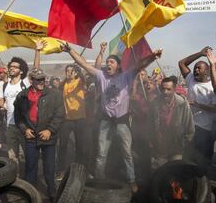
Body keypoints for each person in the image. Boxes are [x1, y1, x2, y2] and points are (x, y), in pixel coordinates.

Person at [59, 41, 162, 192]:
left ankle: (131, 180)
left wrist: (152, 57)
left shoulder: (126, 76)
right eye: (107, 61)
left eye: (112, 61)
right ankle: (100, 181)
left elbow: (140, 65)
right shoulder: (101, 76)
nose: (108, 63)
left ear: (118, 66)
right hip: (106, 121)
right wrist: (70, 50)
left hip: (122, 121)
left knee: (127, 153)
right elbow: (84, 64)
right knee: (101, 154)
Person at [14, 68, 64, 199]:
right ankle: (31, 193)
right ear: (31, 80)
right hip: (31, 135)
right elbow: (18, 117)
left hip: (48, 135)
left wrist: (50, 130)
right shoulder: (22, 96)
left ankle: (51, 190)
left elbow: (60, 115)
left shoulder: (55, 94)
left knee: (49, 166)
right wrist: (24, 129)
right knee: (30, 166)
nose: (42, 81)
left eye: (43, 78)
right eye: (38, 79)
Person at [179, 46, 216, 161]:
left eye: (199, 68)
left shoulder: (212, 87)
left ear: (207, 71)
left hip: (205, 129)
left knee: (202, 160)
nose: (196, 70)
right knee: (187, 157)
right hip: (189, 126)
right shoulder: (190, 79)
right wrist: (200, 53)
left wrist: (197, 104)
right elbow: (181, 63)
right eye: (194, 68)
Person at [151, 76, 194, 164]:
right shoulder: (155, 103)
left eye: (168, 89)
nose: (165, 92)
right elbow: (150, 124)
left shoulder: (182, 103)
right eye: (163, 89)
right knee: (160, 173)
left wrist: (184, 144)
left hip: (176, 147)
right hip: (160, 147)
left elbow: (190, 127)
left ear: (174, 89)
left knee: (174, 172)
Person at [0, 56, 30, 164]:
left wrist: (37, 51)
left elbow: (35, 67)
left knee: (27, 155)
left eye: (15, 67)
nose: (11, 68)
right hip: (10, 125)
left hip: (25, 125)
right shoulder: (5, 86)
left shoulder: (25, 83)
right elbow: (0, 104)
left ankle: (29, 179)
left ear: (21, 71)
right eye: (10, 66)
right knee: (12, 157)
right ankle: (16, 178)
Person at [57, 64, 89, 174]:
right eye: (67, 70)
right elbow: (59, 86)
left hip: (80, 119)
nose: (69, 72)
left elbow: (84, 78)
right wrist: (67, 77)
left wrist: (77, 70)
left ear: (76, 73)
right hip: (66, 119)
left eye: (71, 71)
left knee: (80, 146)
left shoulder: (79, 81)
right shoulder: (63, 84)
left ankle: (79, 170)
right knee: (62, 145)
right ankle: (61, 170)